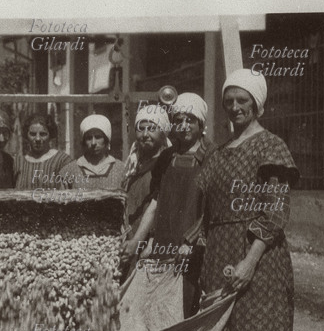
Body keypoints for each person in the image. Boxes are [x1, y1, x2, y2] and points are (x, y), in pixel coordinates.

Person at [190, 68, 299, 331]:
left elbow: (275, 209)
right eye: (229, 101)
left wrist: (251, 260)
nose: (235, 107)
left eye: (243, 100)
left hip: (260, 257)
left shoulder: (271, 146)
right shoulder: (218, 153)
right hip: (220, 254)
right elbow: (204, 206)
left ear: (257, 104)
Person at [147, 92, 215, 317]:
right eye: (178, 120)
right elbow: (157, 200)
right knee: (161, 305)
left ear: (201, 124)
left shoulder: (212, 156)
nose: (184, 126)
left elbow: (213, 206)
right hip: (165, 240)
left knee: (188, 302)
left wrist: (191, 240)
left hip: (193, 246)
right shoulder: (167, 157)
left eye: (190, 120)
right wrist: (149, 238)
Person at [120, 106, 171, 268]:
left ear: (163, 132)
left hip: (151, 244)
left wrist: (150, 241)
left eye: (151, 129)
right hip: (130, 239)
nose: (145, 134)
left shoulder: (168, 164)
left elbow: (160, 207)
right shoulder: (132, 166)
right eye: (141, 129)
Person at [58, 114, 124, 191]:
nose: (93, 143)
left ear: (106, 139)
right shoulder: (69, 171)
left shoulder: (121, 170)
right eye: (89, 138)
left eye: (98, 137)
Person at [13, 113, 73, 190]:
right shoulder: (18, 162)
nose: (37, 139)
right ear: (26, 135)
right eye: (33, 134)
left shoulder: (62, 161)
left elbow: (79, 188)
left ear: (50, 135)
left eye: (43, 134)